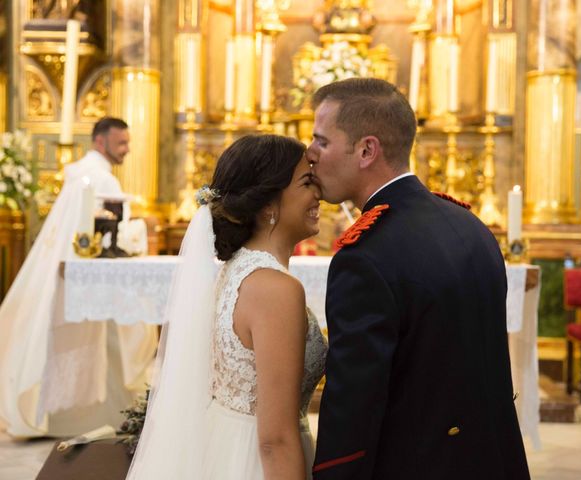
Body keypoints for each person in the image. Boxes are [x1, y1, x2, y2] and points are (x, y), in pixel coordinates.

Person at [307, 78, 530, 479]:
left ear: (366, 150)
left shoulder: (365, 256)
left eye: (321, 141)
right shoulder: (470, 225)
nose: (309, 154)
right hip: (493, 460)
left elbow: (355, 403)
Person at [127, 134, 327, 479]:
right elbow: (275, 439)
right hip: (256, 461)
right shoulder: (276, 289)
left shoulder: (236, 270)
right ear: (268, 205)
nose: (318, 193)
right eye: (307, 182)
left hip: (224, 443)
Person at [0, 117, 157, 437]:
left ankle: (72, 414)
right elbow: (117, 237)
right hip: (91, 273)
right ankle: (107, 414)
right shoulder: (101, 180)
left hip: (70, 269)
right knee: (112, 339)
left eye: (128, 143)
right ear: (100, 142)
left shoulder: (80, 175)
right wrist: (145, 226)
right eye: (121, 143)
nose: (126, 150)